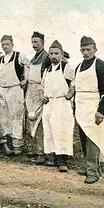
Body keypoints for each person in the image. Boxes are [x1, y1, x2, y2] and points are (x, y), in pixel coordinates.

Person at [73, 36, 104, 184]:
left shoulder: (101, 66)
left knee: (93, 139)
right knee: (84, 138)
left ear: (95, 50)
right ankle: (90, 166)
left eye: (88, 50)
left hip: (94, 107)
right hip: (81, 107)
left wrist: (101, 111)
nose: (86, 53)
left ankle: (93, 172)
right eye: (83, 50)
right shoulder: (78, 66)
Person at [40, 40, 75, 172]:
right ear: (49, 55)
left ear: (62, 54)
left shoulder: (67, 67)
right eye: (51, 53)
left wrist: (70, 94)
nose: (54, 56)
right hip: (49, 103)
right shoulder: (47, 69)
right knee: (49, 130)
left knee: (62, 130)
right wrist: (43, 96)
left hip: (61, 103)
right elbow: (42, 87)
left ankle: (62, 160)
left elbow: (74, 84)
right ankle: (52, 156)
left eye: (56, 53)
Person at [0, 35, 29, 156]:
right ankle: (8, 146)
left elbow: (30, 67)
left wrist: (26, 79)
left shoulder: (19, 56)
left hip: (15, 89)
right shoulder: (0, 59)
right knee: (4, 118)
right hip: (3, 90)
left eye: (7, 44)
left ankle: (17, 147)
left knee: (16, 117)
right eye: (3, 44)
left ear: (12, 44)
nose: (5, 47)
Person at [25, 31, 52, 164]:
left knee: (40, 122)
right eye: (32, 42)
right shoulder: (33, 58)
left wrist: (44, 93)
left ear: (43, 42)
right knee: (32, 120)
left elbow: (48, 77)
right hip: (30, 91)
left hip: (40, 92)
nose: (34, 45)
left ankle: (43, 153)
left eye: (36, 42)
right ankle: (36, 149)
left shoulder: (47, 57)